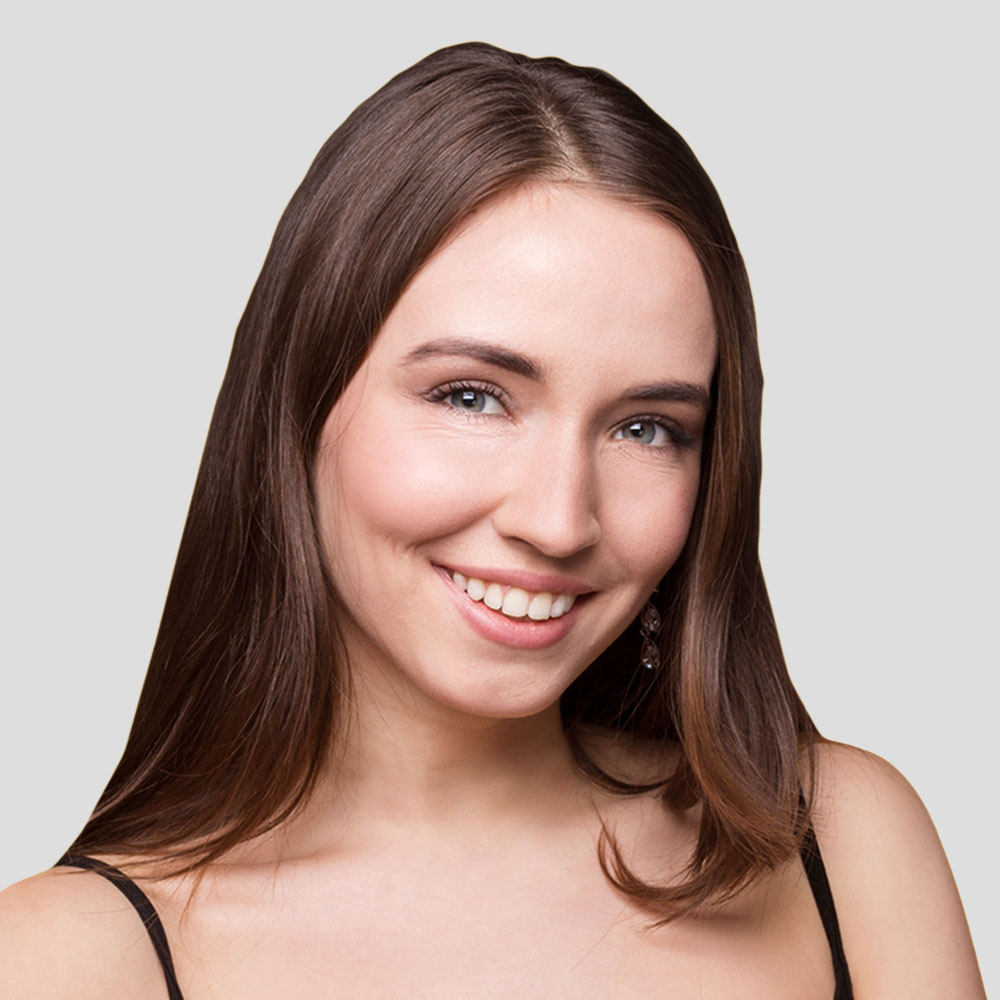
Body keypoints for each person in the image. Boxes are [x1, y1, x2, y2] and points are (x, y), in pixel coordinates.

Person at [0, 41, 985, 999]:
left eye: (645, 427)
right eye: (471, 397)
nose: (557, 521)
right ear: (300, 406)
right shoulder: (68, 960)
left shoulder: (837, 844)